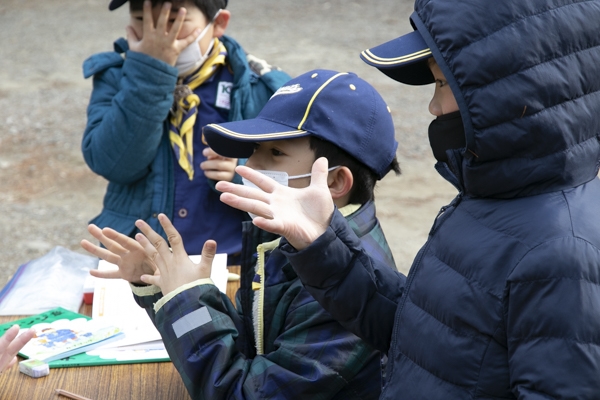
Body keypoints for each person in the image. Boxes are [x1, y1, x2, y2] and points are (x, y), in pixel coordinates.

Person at [214, 1, 600, 398]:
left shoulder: (563, 252)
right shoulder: (489, 201)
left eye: (442, 83)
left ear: (517, 86)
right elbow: (422, 335)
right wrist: (321, 246)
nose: (432, 107)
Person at [81, 69, 401, 399]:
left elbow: (243, 393)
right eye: (255, 149)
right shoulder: (295, 242)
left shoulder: (344, 290)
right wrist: (166, 285)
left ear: (333, 182)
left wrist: (186, 302)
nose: (248, 165)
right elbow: (252, 346)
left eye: (275, 153)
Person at [81, 0, 291, 265]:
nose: (158, 36)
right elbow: (112, 164)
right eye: (142, 21)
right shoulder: (115, 77)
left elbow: (293, 180)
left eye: (172, 21)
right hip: (146, 260)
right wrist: (149, 77)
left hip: (235, 259)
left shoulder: (259, 86)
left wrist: (240, 173)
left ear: (218, 23)